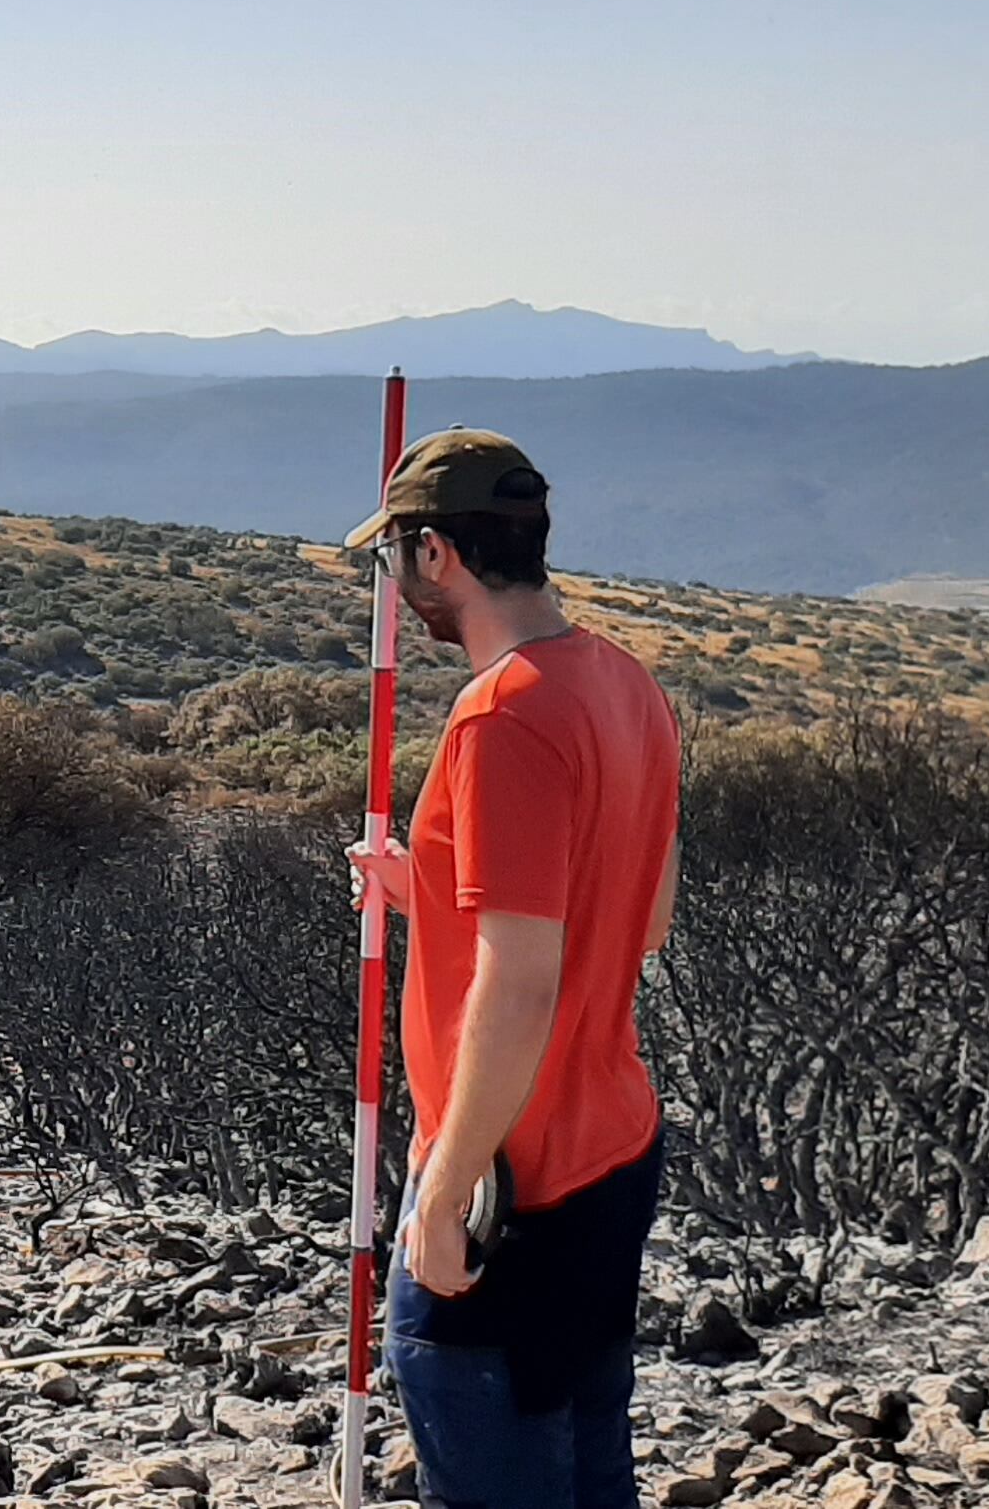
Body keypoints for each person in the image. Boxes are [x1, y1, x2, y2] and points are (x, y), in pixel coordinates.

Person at [348, 429, 684, 1509]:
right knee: (589, 1465)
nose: (396, 586)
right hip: (612, 1152)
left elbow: (522, 981)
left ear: (435, 555)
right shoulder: (625, 683)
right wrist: (440, 889)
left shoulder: (502, 717)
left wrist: (445, 1191)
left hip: (515, 1188)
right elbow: (640, 914)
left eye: (392, 560)